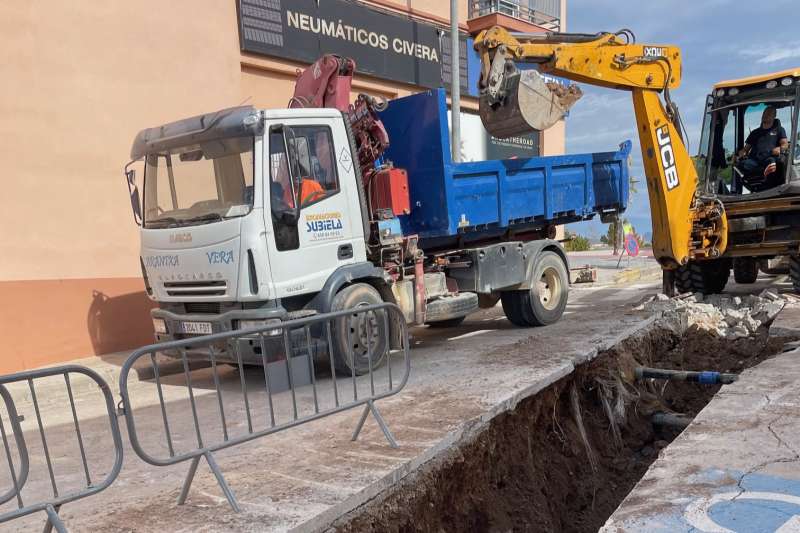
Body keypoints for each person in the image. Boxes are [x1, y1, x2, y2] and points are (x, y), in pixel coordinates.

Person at [735, 106, 789, 192]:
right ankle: (738, 192)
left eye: (768, 114)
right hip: (755, 161)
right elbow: (745, 149)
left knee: (772, 162)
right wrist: (740, 154)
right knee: (739, 165)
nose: (765, 115)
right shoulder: (755, 133)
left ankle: (770, 189)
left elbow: (785, 144)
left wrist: (779, 149)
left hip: (769, 158)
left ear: (774, 116)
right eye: (764, 113)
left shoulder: (779, 130)